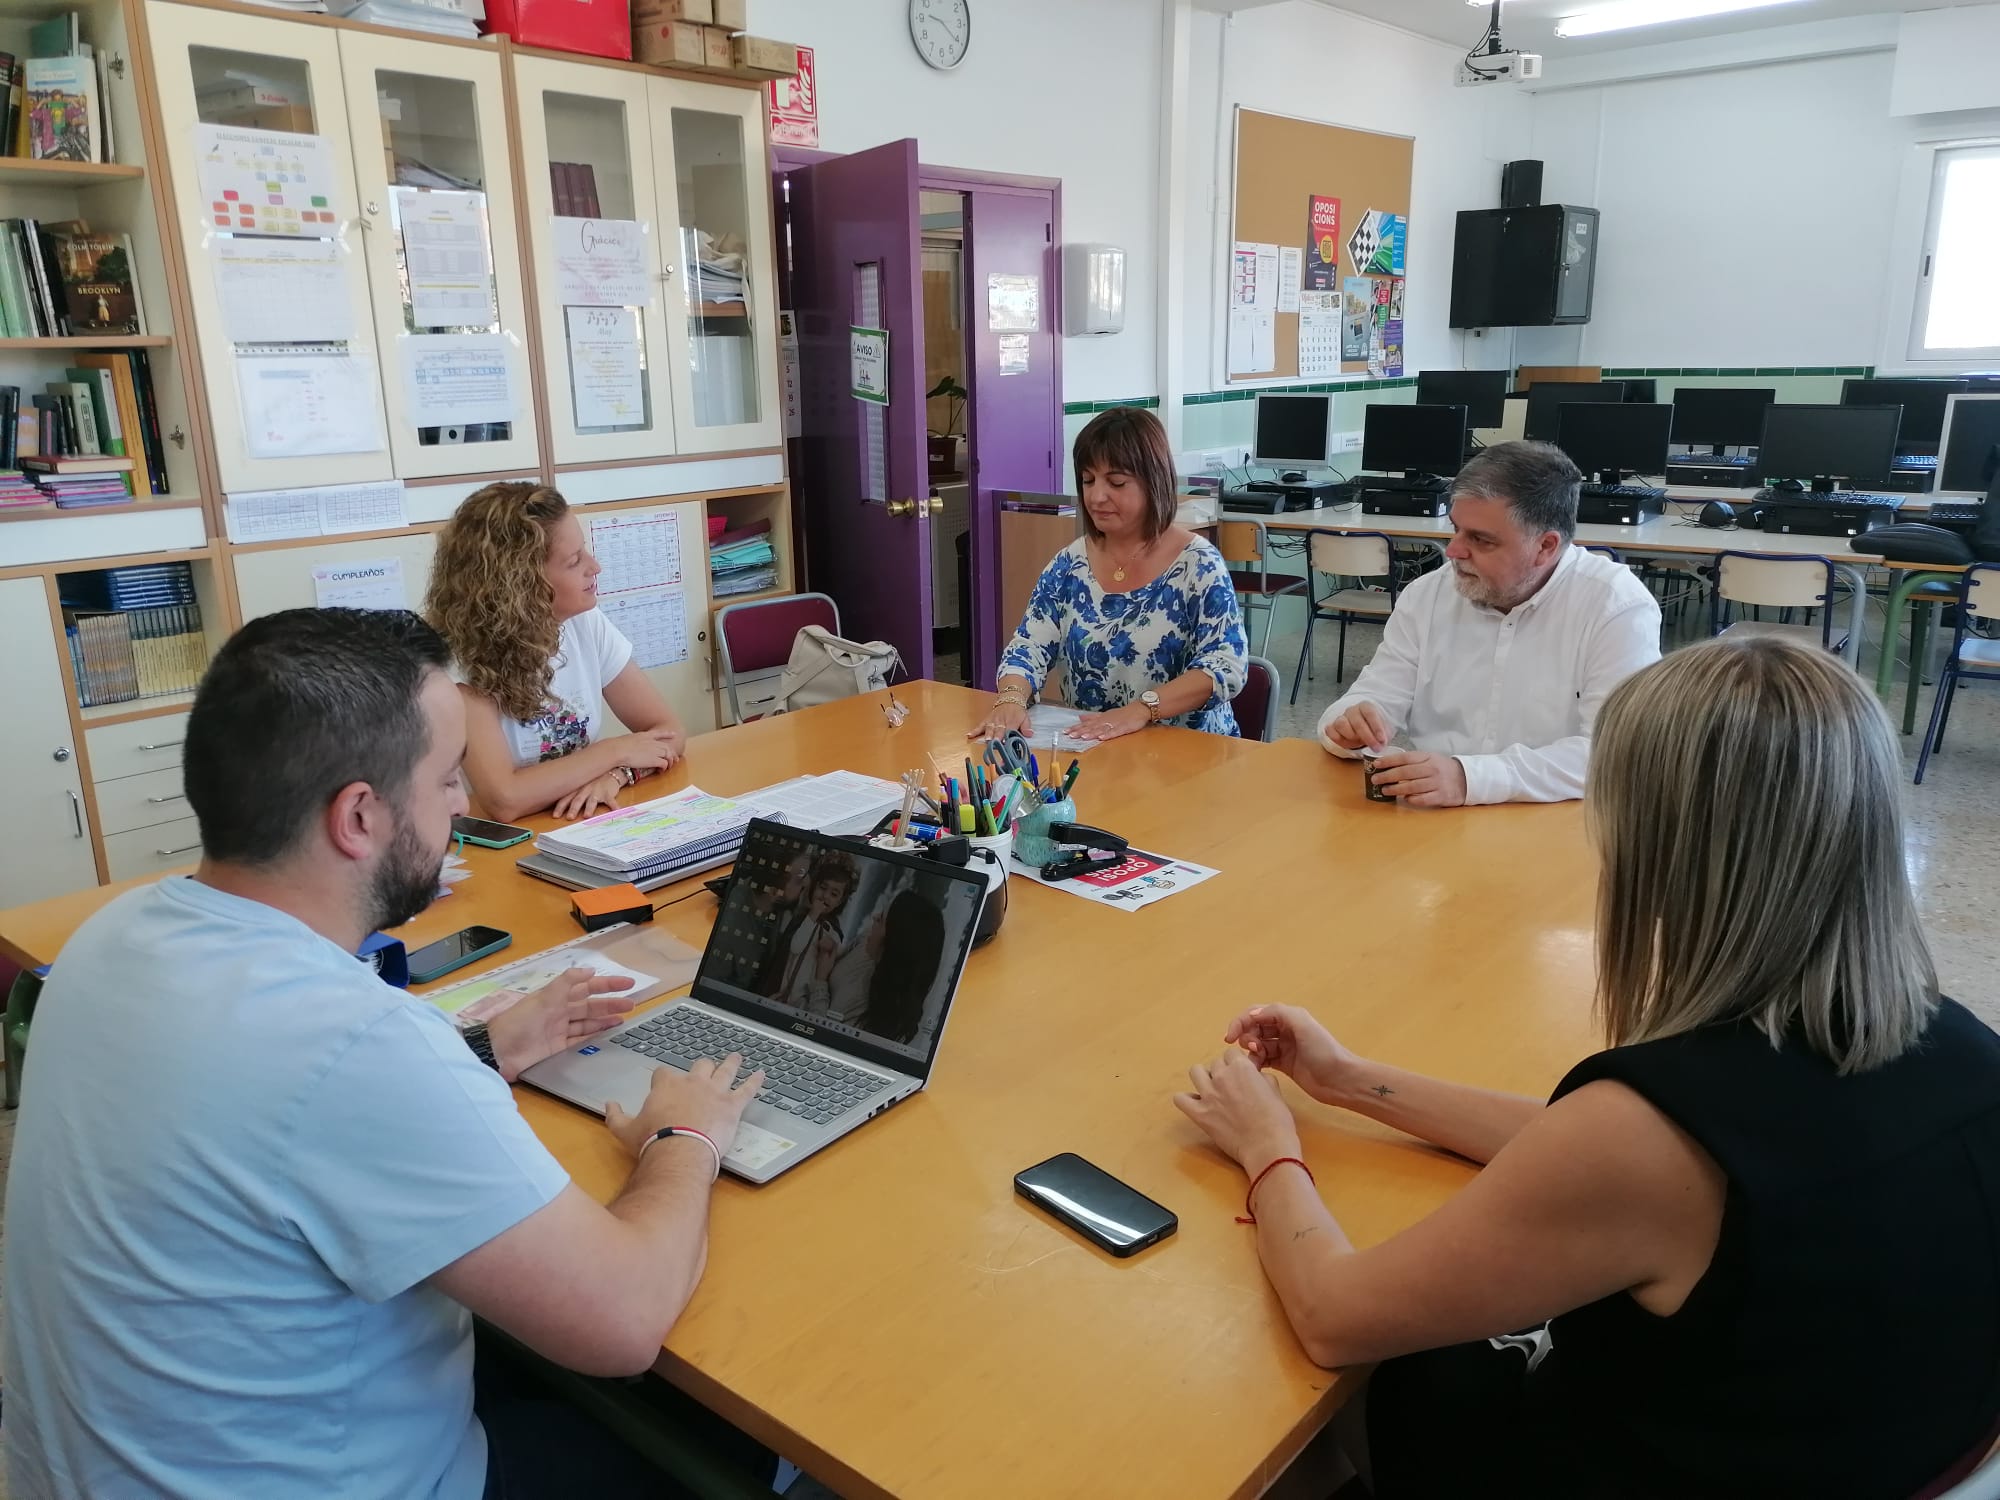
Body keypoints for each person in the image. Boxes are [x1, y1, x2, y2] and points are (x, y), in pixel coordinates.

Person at [1174, 637, 2000, 1499]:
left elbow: (1335, 1316)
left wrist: (1268, 1148)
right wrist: (1349, 1080)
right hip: (1866, 1450)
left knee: (1339, 1367)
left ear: (1660, 852)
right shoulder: (1965, 1048)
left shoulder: (1645, 1138)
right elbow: (1588, 1151)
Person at [2, 608, 766, 1500]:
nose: (461, 804)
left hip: (95, 1472)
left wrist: (484, 1047)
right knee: (737, 1434)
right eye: (445, 779)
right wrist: (684, 1140)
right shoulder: (356, 1045)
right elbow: (625, 1322)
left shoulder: (110, 937)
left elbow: (277, 1107)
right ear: (358, 817)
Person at [1317, 440, 1660, 806]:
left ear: (1545, 547)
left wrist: (1469, 778)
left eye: (1480, 540)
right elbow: (1373, 696)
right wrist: (1349, 725)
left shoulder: (1616, 607)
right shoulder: (1428, 595)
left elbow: (1612, 752)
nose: (1453, 551)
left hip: (1556, 820)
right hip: (1435, 815)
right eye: (1456, 528)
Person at [973, 407, 1247, 743]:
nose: (1096, 496)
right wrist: (1012, 698)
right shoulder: (1069, 565)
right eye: (1088, 480)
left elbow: (1226, 665)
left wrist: (1142, 709)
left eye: (1116, 482)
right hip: (1097, 749)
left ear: (1153, 481)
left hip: (1188, 754)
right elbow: (1029, 645)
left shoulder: (1198, 565)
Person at [427, 481, 686, 823]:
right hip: (507, 838)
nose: (595, 567)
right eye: (574, 561)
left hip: (579, 823)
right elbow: (505, 799)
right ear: (522, 582)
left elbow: (669, 731)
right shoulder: (457, 664)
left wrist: (617, 775)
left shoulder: (585, 622)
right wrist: (615, 750)